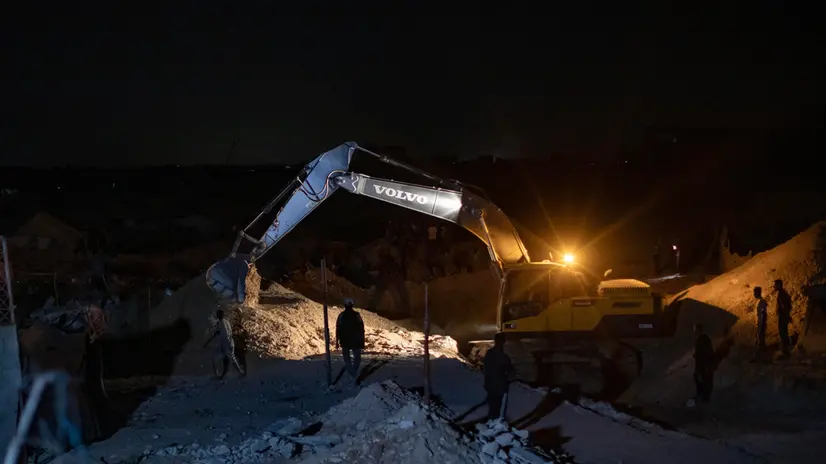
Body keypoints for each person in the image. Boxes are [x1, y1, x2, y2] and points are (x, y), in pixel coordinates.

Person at [204, 310, 245, 379]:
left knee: (215, 358)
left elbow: (222, 335)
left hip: (226, 345)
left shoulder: (220, 323)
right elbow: (227, 333)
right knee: (232, 359)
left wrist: (207, 343)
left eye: (217, 314)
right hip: (230, 344)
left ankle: (217, 375)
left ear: (219, 315)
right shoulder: (227, 321)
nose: (216, 315)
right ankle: (240, 372)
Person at [483, 332, 512, 420]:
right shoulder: (505, 356)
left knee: (494, 404)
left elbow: (486, 369)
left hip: (493, 383)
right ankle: (495, 420)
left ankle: (493, 419)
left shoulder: (490, 353)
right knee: (497, 404)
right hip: (498, 384)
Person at [336, 298, 365, 384]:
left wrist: (337, 341)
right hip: (355, 340)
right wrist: (362, 341)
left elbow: (338, 328)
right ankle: (353, 372)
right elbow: (362, 329)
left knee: (347, 357)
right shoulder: (357, 315)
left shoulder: (341, 316)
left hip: (345, 340)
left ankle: (351, 372)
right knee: (357, 358)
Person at [693, 323, 714, 403]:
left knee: (701, 378)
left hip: (703, 363)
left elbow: (704, 352)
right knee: (699, 378)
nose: (694, 331)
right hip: (703, 363)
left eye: (695, 329)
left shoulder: (701, 340)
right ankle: (703, 395)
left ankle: (703, 396)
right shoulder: (704, 339)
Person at [774, 279, 792, 357]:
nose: (774, 286)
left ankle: (786, 351)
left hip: (783, 316)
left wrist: (787, 316)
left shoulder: (782, 294)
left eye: (775, 285)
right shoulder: (782, 293)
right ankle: (786, 350)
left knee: (783, 332)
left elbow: (785, 307)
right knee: (784, 332)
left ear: (779, 285)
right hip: (784, 315)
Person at [754, 286, 768, 350]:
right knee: (759, 337)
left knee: (761, 337)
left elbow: (763, 313)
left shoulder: (761, 301)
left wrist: (762, 324)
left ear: (758, 292)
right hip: (759, 322)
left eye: (755, 292)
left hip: (761, 322)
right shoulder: (758, 301)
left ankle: (762, 351)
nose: (754, 294)